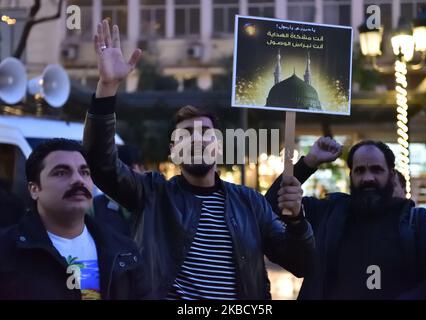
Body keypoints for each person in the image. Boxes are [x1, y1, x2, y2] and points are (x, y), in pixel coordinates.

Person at [83, 20, 315, 300]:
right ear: (173, 150)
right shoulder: (154, 194)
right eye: (186, 134)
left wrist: (297, 221)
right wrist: (107, 88)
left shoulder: (250, 204)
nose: (196, 139)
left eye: (205, 132)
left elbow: (300, 264)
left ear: (218, 146)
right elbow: (101, 163)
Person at [266, 139, 426, 299]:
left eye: (376, 170)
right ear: (351, 176)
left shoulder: (423, 225)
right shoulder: (328, 213)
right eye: (360, 170)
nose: (368, 178)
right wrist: (308, 162)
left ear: (391, 176)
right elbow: (268, 208)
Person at [0, 139, 149, 300]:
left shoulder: (124, 252)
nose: (78, 180)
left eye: (84, 172)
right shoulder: (6, 251)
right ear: (34, 189)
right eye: (61, 172)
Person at [91, 145, 145, 237]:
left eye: (137, 167)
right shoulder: (95, 206)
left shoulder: (154, 203)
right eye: (124, 170)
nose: (130, 176)